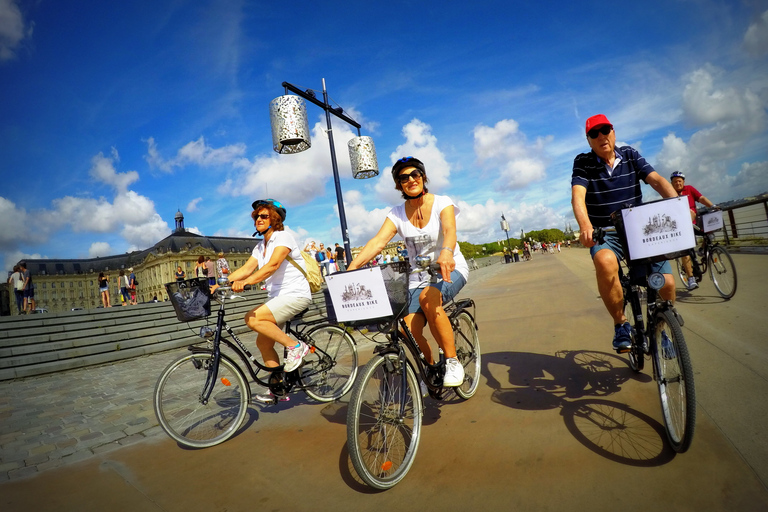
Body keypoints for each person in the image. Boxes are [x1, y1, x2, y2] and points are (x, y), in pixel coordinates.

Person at [347, 156, 469, 387]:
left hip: (449, 267)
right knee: (406, 329)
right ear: (398, 185)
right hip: (417, 276)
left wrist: (446, 252)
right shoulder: (396, 213)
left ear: (423, 177)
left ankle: (452, 361)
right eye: (404, 178)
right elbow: (378, 242)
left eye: (415, 174)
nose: (411, 179)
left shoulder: (443, 202)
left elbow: (450, 230)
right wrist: (353, 267)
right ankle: (431, 369)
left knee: (429, 299)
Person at [571, 114, 678, 353]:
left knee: (668, 284)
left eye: (605, 130)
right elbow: (578, 196)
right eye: (594, 133)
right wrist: (585, 226)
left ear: (613, 132)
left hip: (639, 229)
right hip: (606, 232)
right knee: (604, 261)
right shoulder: (583, 162)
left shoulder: (630, 154)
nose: (601, 136)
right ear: (589, 141)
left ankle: (663, 330)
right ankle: (621, 323)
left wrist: (678, 206)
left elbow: (657, 180)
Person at [212, 199, 312, 403]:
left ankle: (295, 347)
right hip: (277, 298)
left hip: (295, 294)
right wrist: (219, 284)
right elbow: (246, 269)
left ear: (275, 219)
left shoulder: (283, 237)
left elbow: (273, 265)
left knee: (252, 318)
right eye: (257, 216)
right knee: (263, 343)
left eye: (264, 216)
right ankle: (278, 387)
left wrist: (246, 282)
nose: (258, 219)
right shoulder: (260, 247)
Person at [670, 171, 717, 290]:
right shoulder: (669, 193)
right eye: (675, 182)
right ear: (672, 183)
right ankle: (690, 278)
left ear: (683, 182)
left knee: (709, 231)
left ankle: (702, 249)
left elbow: (701, 198)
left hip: (694, 224)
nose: (678, 183)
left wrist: (713, 207)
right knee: (686, 252)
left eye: (680, 181)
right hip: (681, 227)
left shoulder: (689, 189)